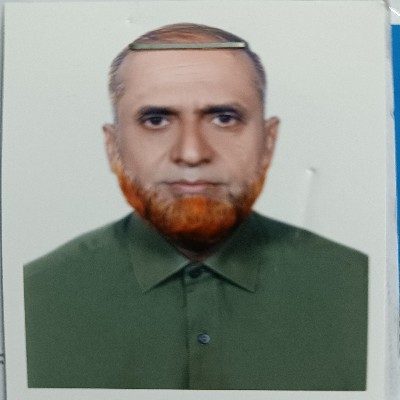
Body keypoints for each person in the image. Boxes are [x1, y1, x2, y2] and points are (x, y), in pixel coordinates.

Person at [24, 23, 368, 390]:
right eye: (156, 120)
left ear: (269, 142)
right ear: (113, 146)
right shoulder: (35, 296)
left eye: (224, 118)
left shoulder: (359, 288)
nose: (191, 153)